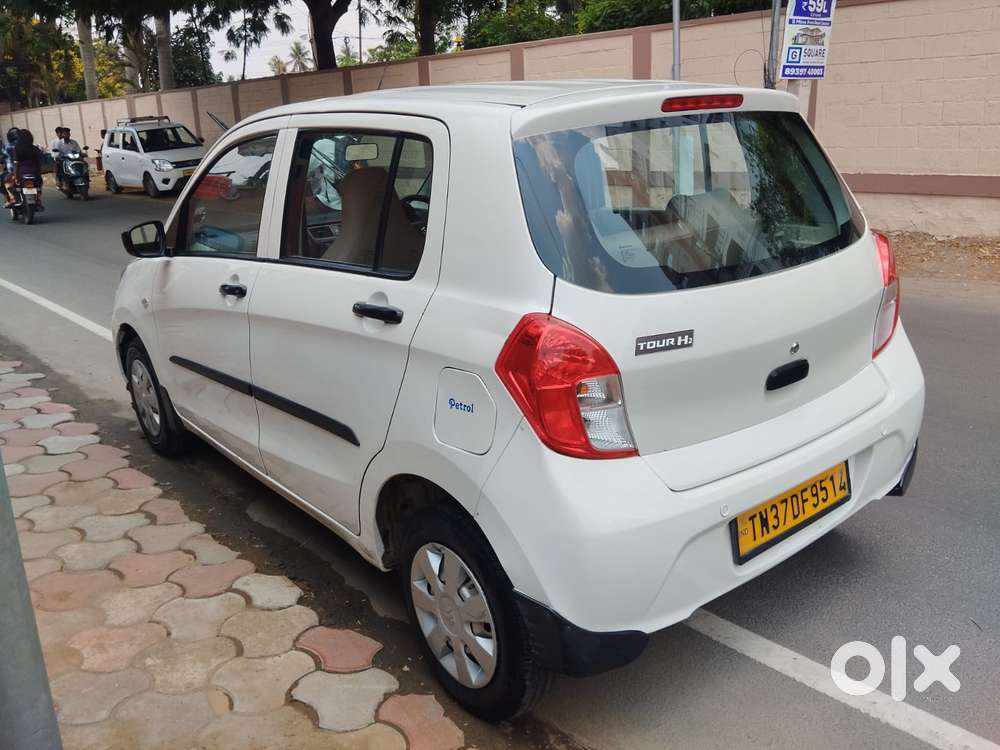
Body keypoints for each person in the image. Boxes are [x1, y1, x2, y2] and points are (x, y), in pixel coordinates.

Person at [5, 129, 44, 209]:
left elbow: (16, 164)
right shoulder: (35, 149)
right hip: (34, 173)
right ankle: (38, 200)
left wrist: (15, 177)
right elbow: (40, 162)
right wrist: (38, 173)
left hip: (21, 172)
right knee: (39, 185)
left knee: (7, 180)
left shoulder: (17, 149)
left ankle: (13, 199)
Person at [1, 128, 17, 206]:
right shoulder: (27, 145)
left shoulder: (7, 147)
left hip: (12, 171)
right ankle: (38, 199)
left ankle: (9, 198)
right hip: (29, 171)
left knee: (2, 179)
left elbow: (2, 157)